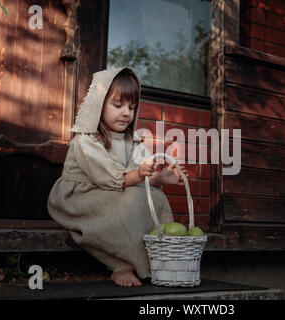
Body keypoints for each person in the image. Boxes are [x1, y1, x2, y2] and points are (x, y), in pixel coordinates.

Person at [47, 67, 188, 287]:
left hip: (113, 191)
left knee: (156, 198)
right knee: (130, 200)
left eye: (132, 107)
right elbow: (111, 178)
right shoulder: (86, 140)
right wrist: (138, 175)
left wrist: (159, 179)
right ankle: (121, 263)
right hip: (81, 198)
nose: (126, 113)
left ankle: (159, 258)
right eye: (118, 105)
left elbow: (138, 177)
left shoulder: (131, 141)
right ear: (98, 105)